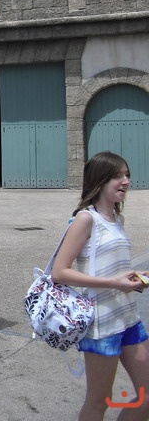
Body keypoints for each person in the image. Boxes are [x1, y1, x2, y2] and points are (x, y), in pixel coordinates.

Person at [51, 152, 149, 420]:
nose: (125, 181)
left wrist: (134, 278)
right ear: (100, 180)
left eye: (127, 175)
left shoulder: (117, 219)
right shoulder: (86, 219)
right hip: (101, 324)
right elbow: (60, 272)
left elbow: (112, 268)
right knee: (98, 402)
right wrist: (113, 283)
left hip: (128, 317)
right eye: (118, 176)